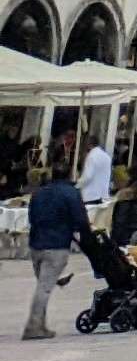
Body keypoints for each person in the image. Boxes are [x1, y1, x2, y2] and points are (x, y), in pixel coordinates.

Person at [25, 142, 89, 338]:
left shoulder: (39, 193)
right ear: (69, 175)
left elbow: (31, 215)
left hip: (36, 243)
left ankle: (40, 325)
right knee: (44, 288)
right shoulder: (71, 193)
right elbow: (80, 220)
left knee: (42, 285)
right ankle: (34, 326)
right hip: (57, 245)